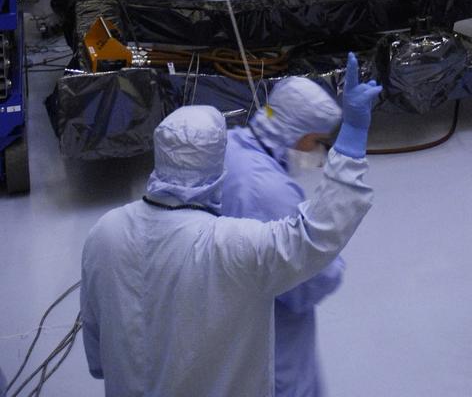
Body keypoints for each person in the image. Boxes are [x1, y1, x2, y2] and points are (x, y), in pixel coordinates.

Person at [79, 52, 380, 397]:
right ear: (216, 169)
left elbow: (95, 330)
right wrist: (353, 140)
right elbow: (317, 237)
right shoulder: (229, 246)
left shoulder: (105, 231)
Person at [221, 77, 346, 397]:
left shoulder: (230, 146)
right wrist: (332, 255)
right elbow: (309, 283)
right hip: (271, 342)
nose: (319, 152)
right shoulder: (269, 192)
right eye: (317, 141)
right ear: (298, 134)